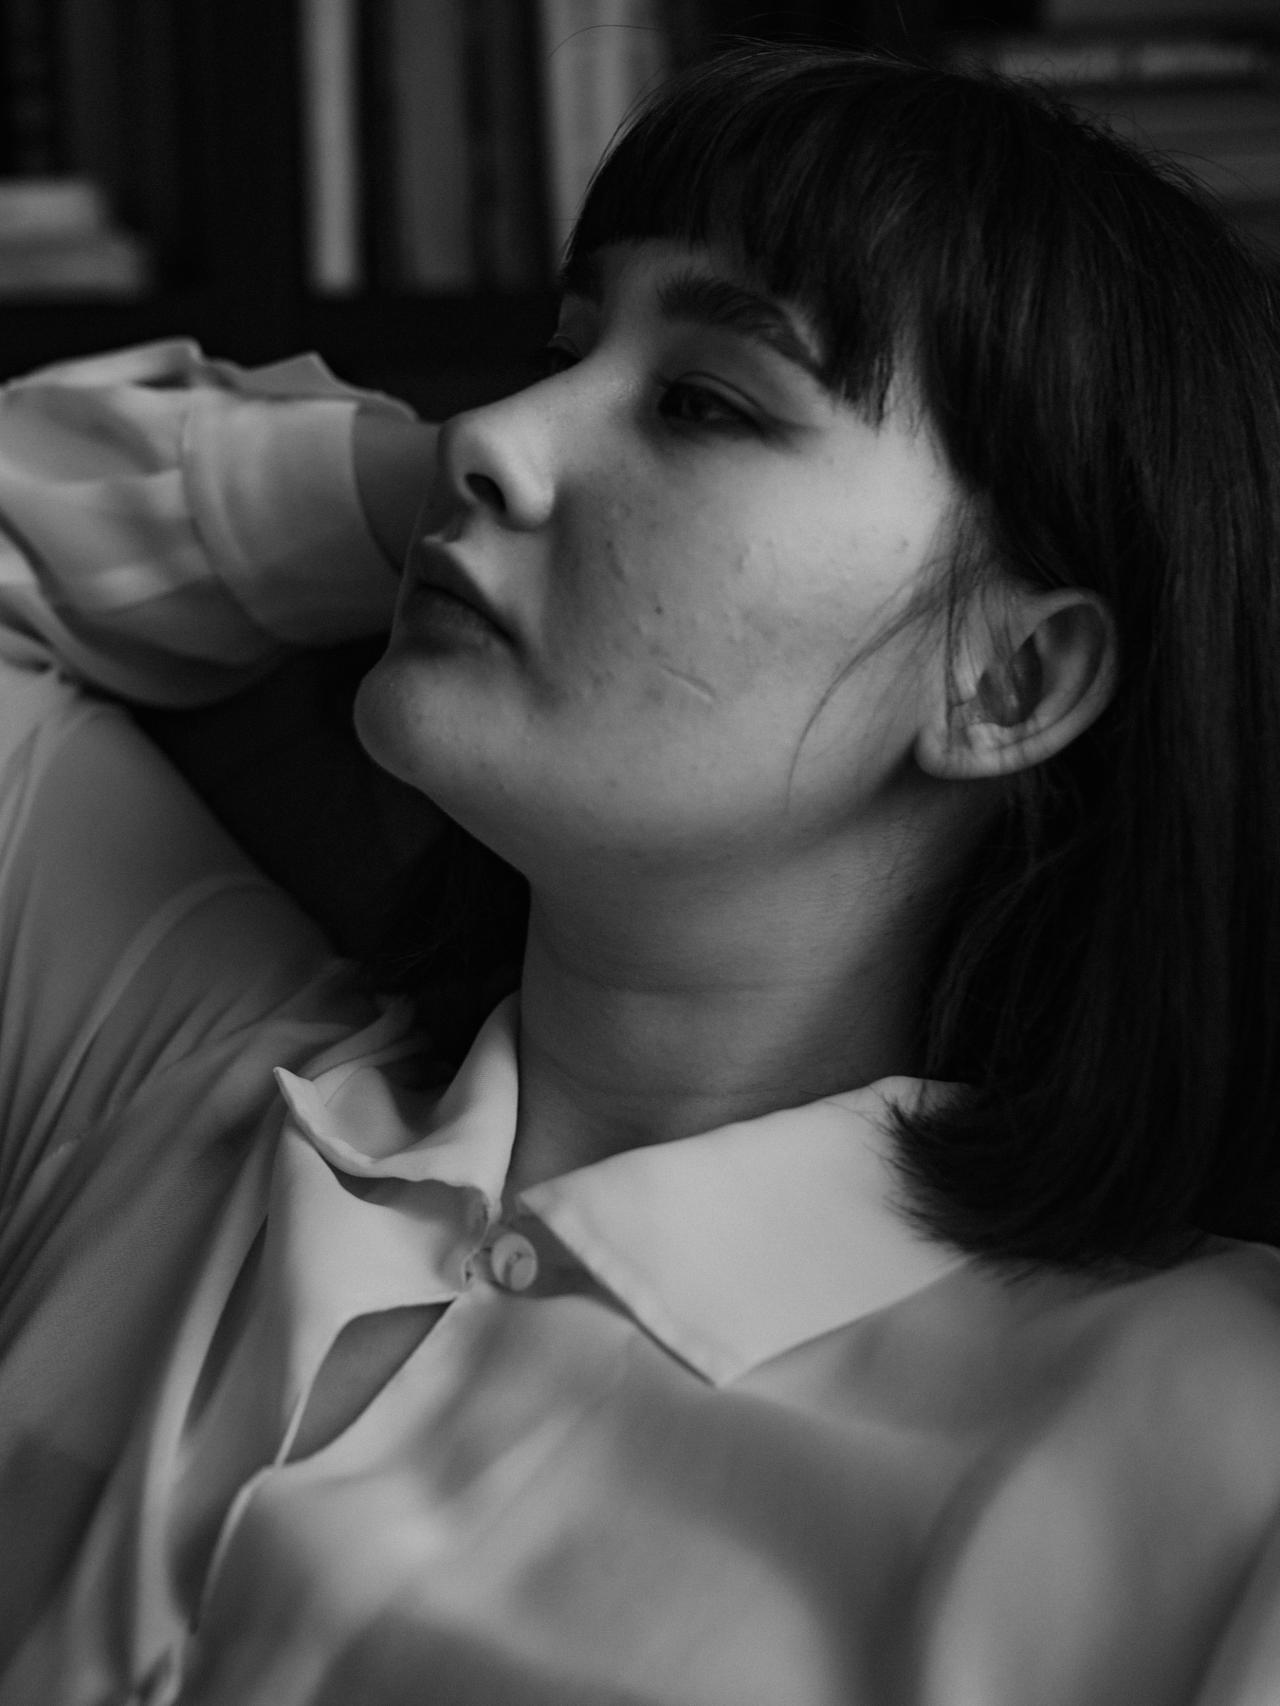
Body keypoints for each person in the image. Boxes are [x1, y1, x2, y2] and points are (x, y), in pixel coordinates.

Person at [2, 41, 1280, 1706]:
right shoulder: (170, 1081)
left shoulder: (1214, 1465)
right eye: (558, 349)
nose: (493, 428)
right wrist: (407, 491)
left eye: (705, 402)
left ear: (1007, 681)